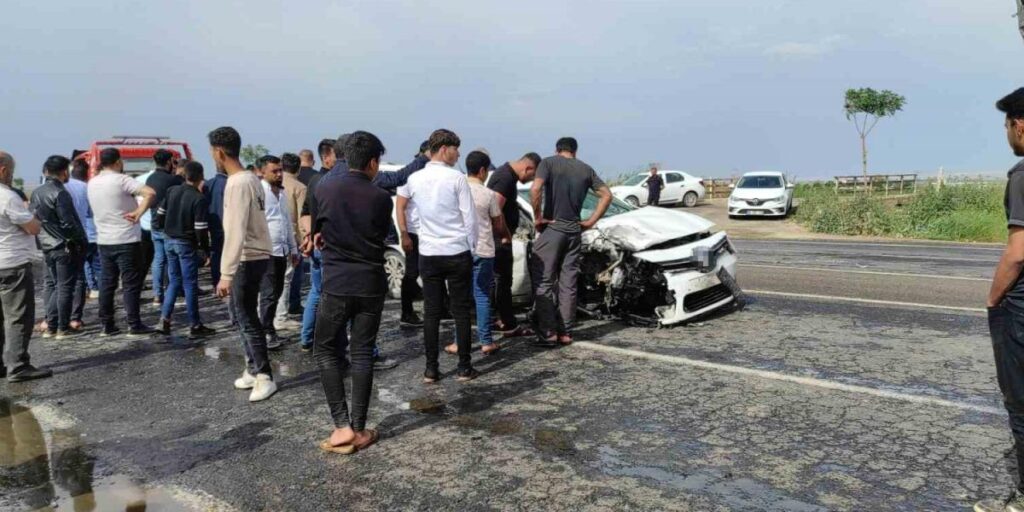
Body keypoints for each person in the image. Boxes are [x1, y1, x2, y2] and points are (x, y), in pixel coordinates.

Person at [313, 130, 390, 455]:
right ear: (372, 162)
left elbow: (321, 229)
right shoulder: (380, 198)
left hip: (337, 283)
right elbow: (377, 235)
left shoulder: (324, 187)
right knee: (362, 351)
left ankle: (341, 426)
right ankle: (359, 428)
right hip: (370, 282)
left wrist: (322, 238)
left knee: (326, 350)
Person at [397, 129, 479, 383]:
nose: (459, 154)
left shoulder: (415, 178)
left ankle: (431, 369)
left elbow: (403, 205)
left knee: (431, 312)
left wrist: (407, 233)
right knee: (461, 311)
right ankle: (464, 367)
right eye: (456, 148)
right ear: (444, 149)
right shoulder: (457, 178)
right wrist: (472, 248)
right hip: (456, 251)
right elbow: (470, 218)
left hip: (429, 253)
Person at [977, 87, 1024, 512]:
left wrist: (993, 300)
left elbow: (1019, 250)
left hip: (1022, 311)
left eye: (1007, 125)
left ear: (1020, 126)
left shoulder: (1023, 175)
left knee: (1021, 402)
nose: (1006, 134)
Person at [210, 126, 276, 402]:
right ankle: (252, 368)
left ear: (219, 152)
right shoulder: (252, 179)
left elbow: (234, 229)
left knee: (246, 318)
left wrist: (226, 273)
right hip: (258, 254)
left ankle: (264, 375)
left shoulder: (236, 183)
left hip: (247, 258)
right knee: (244, 316)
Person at [529, 137, 612, 347]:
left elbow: (535, 189)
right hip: (574, 232)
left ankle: (548, 333)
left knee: (545, 282)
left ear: (557, 150)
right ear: (575, 151)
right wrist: (591, 221)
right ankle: (566, 332)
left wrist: (537, 217)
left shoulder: (548, 163)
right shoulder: (586, 169)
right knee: (568, 283)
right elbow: (607, 195)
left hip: (553, 229)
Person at [442, 151, 511, 357]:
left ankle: (457, 342)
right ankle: (486, 342)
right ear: (482, 171)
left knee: (460, 299)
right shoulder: (487, 194)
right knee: (482, 297)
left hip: (460, 250)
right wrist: (506, 236)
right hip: (484, 250)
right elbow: (498, 223)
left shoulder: (455, 190)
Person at [87, 148, 157, 337]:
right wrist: (138, 212)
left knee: (107, 283)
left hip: (104, 240)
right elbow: (150, 192)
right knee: (130, 283)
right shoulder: (121, 180)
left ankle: (107, 324)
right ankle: (133, 323)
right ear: (118, 162)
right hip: (126, 238)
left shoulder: (92, 183)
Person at [0, 151, 49, 382]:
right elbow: (32, 228)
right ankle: (18, 366)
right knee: (18, 316)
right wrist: (34, 218)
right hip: (11, 264)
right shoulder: (7, 197)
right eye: (11, 171)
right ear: (3, 170)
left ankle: (3, 364)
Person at [153, 161, 216, 339]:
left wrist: (164, 228)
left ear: (184, 174)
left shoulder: (172, 191)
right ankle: (194, 324)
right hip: (185, 243)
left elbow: (159, 214)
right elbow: (200, 229)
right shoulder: (199, 198)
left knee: (174, 281)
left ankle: (164, 320)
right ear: (201, 176)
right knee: (190, 284)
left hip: (169, 240)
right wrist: (204, 250)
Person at [32, 155, 88, 340]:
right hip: (64, 245)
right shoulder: (60, 192)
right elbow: (68, 223)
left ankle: (51, 326)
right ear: (65, 171)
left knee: (53, 286)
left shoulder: (37, 192)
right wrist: (80, 240)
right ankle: (62, 328)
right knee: (64, 288)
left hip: (47, 245)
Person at [486, 152, 541, 336]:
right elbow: (495, 208)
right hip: (499, 239)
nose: (530, 179)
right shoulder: (505, 178)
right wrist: (505, 235)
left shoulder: (505, 174)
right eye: (532, 176)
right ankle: (508, 323)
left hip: (496, 238)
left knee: (498, 281)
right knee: (503, 281)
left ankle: (497, 318)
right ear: (528, 168)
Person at [298, 138, 339, 351]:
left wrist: (308, 234)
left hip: (316, 244)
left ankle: (307, 339)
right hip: (327, 246)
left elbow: (305, 212)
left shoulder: (314, 180)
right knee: (334, 296)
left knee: (316, 293)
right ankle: (329, 344)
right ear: (326, 157)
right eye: (337, 155)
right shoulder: (330, 181)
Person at [257, 155, 299, 349]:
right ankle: (265, 333)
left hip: (282, 250)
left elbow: (287, 224)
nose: (279, 174)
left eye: (280, 170)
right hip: (267, 251)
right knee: (268, 294)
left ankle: (270, 329)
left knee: (276, 292)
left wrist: (293, 248)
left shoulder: (281, 194)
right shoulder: (259, 193)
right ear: (262, 172)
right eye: (274, 171)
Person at [397, 141, 430, 327]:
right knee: (412, 273)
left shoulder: (431, 174)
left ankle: (440, 307)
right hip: (414, 231)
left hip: (430, 232)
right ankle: (407, 312)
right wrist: (404, 234)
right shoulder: (410, 175)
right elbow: (400, 206)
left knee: (432, 271)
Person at [145, 149, 185, 306]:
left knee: (158, 259)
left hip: (155, 223)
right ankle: (171, 292)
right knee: (172, 260)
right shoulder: (173, 180)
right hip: (170, 225)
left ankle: (157, 294)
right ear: (169, 162)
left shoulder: (150, 178)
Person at [276, 152, 307, 328]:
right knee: (289, 278)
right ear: (298, 168)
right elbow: (303, 216)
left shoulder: (269, 185)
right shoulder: (299, 187)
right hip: (292, 238)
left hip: (273, 238)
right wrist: (304, 241)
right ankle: (283, 315)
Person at [65, 159, 95, 328]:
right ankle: (75, 318)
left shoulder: (58, 187)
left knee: (56, 281)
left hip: (57, 240)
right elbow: (91, 213)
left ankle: (53, 319)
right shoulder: (86, 188)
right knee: (78, 278)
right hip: (80, 237)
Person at [204, 160, 228, 288]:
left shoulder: (208, 184)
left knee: (215, 252)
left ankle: (216, 281)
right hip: (226, 224)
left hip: (212, 222)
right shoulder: (229, 183)